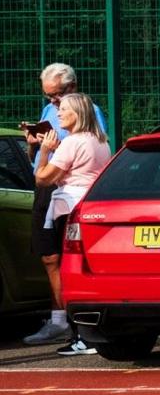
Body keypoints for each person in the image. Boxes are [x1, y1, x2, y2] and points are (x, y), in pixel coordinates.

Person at [21, 62, 101, 349]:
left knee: (70, 260)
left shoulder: (87, 123)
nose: (55, 108)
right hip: (56, 194)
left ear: (72, 89)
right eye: (49, 99)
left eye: (58, 101)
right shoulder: (52, 115)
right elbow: (38, 168)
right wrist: (33, 143)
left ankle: (79, 328)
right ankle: (61, 321)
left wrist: (47, 150)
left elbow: (45, 175)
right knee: (51, 256)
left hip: (66, 194)